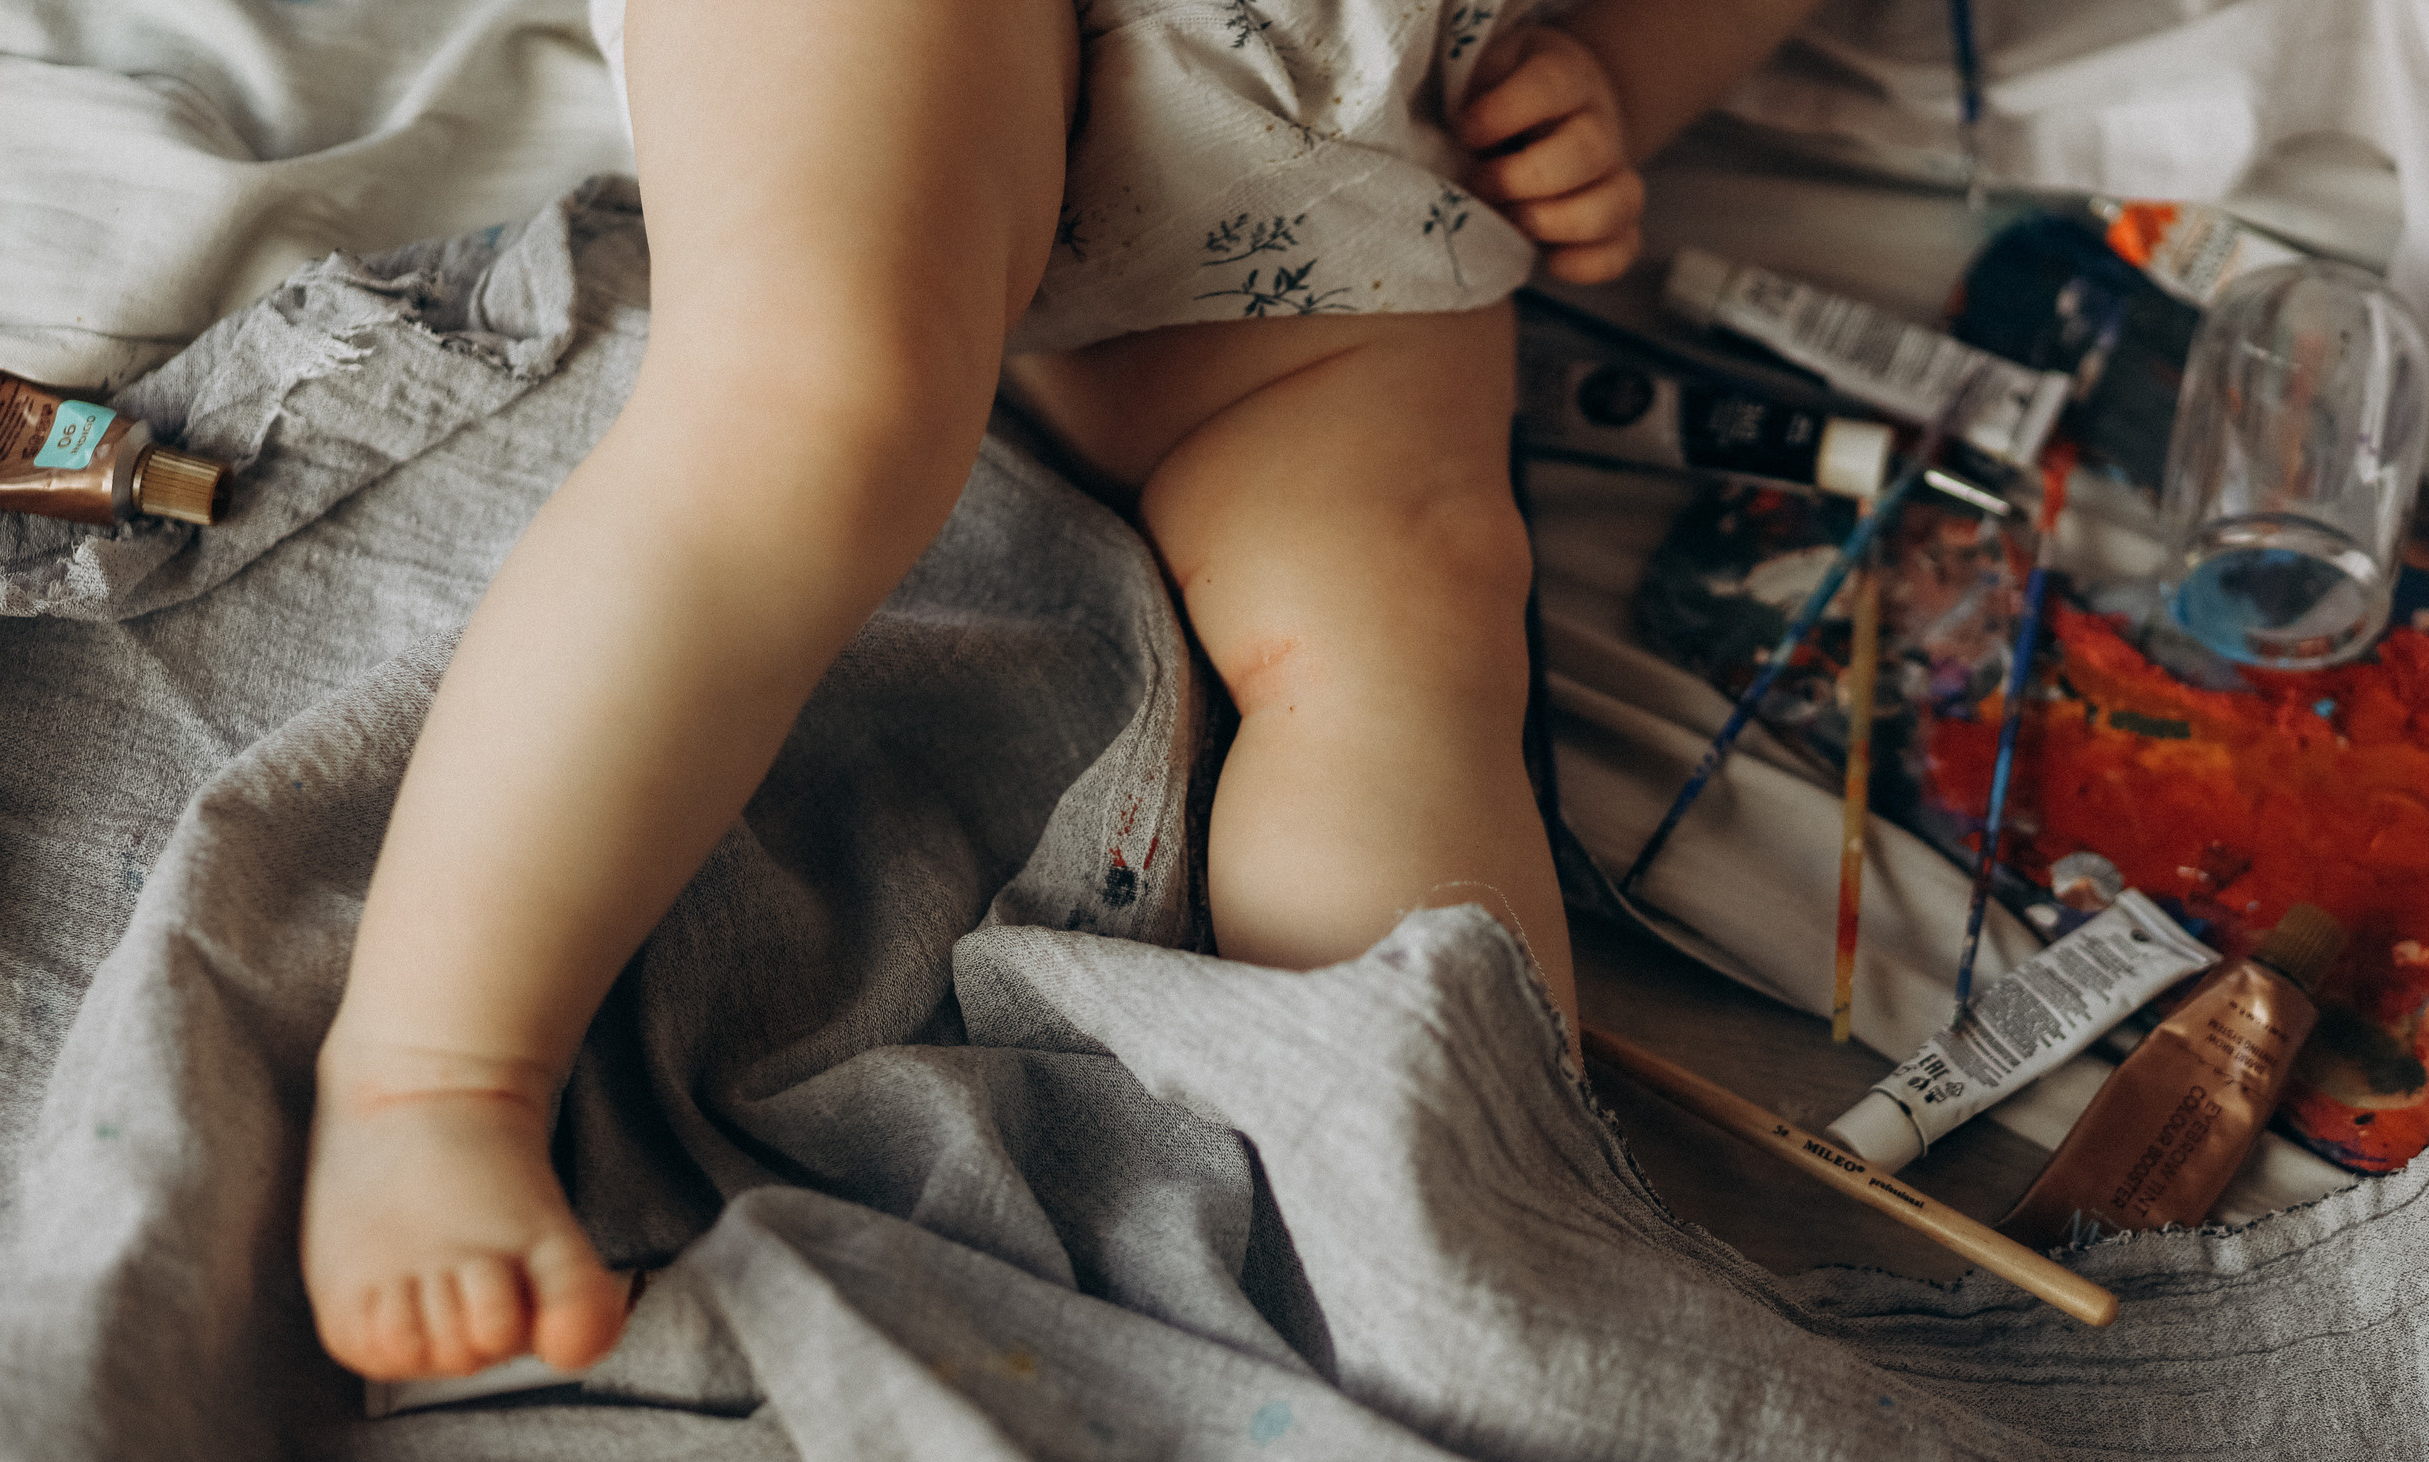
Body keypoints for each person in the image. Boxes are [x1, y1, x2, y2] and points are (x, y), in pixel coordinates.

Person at [301, 0, 1832, 1382]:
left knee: (1401, 605)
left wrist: (1621, 75)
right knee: (810, 410)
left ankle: (1455, 1223)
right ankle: (434, 1076)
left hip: (1338, 112)